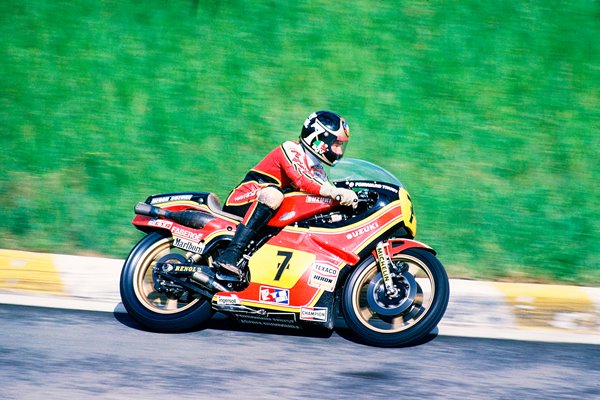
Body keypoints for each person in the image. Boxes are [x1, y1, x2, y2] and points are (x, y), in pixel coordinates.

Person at [214, 110, 358, 279]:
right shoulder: (291, 149)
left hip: (271, 212)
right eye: (336, 144)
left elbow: (325, 194)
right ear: (320, 140)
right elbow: (302, 179)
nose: (339, 152)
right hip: (244, 198)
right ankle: (231, 254)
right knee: (273, 195)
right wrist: (334, 192)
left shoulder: (318, 170)